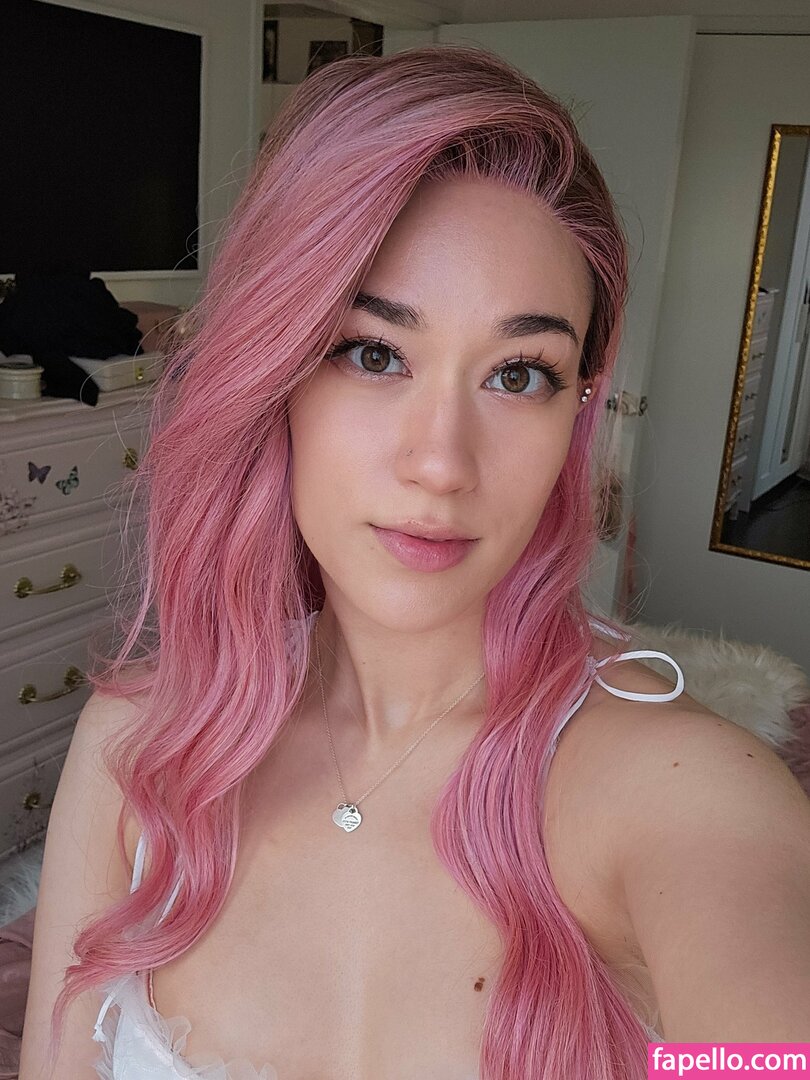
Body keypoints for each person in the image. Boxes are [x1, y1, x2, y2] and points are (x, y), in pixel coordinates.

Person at [20, 43, 810, 1080]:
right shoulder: (137, 743)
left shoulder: (694, 799)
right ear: (272, 371)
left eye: (519, 374)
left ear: (577, 409)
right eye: (373, 353)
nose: (440, 464)